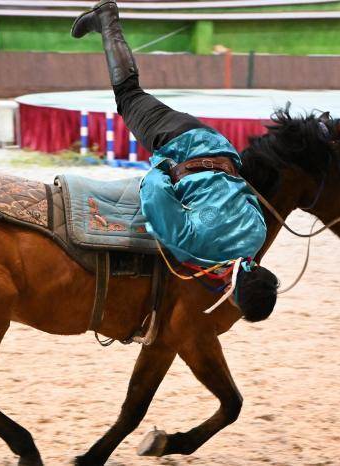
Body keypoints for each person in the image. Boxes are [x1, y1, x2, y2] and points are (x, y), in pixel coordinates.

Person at [71, 0, 278, 321]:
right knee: (127, 95)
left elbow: (246, 191)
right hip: (177, 143)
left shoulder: (258, 234)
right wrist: (163, 167)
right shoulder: (196, 251)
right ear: (234, 296)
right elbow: (154, 193)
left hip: (218, 144)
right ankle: (107, 19)